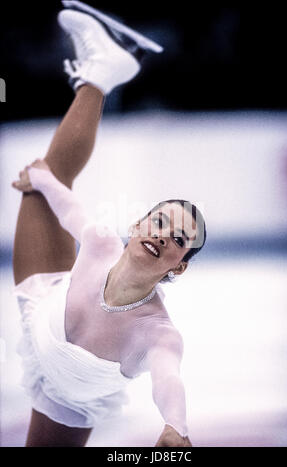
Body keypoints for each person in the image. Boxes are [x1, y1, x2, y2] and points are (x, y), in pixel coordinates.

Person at [11, 1, 206, 447]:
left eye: (178, 238)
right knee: (51, 177)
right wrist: (40, 176)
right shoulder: (101, 242)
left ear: (179, 266)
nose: (162, 235)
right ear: (138, 223)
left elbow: (168, 382)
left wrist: (176, 427)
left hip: (73, 399)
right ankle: (99, 73)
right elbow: (67, 206)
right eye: (159, 221)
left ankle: (101, 71)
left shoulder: (158, 333)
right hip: (41, 307)